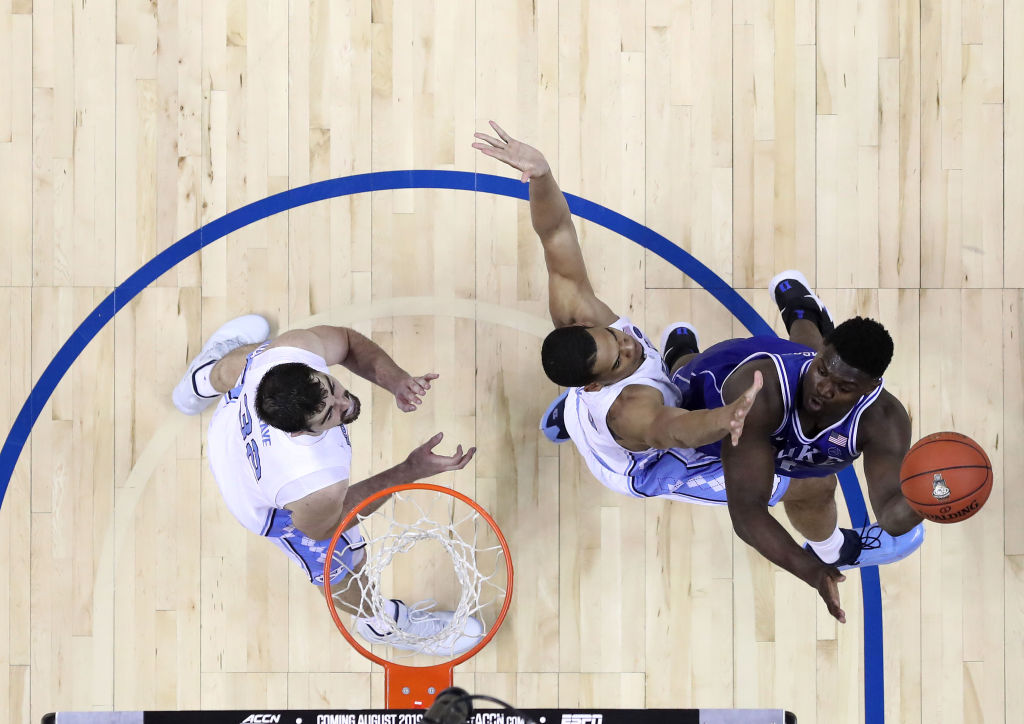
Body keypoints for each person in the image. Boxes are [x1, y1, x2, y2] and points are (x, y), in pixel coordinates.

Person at [472, 121, 763, 500]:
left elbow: (556, 231)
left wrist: (542, 175)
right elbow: (674, 429)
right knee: (782, 484)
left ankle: (574, 416)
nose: (630, 345)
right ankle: (837, 548)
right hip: (643, 466)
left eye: (615, 337)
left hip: (593, 400)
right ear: (598, 383)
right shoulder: (631, 409)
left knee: (664, 376)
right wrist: (726, 419)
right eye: (621, 357)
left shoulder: (579, 312)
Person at [173, 315, 482, 654]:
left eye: (332, 389)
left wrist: (395, 380)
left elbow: (347, 342)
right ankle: (383, 625)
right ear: (298, 432)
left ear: (310, 368)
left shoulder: (289, 352)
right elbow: (326, 529)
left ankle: (200, 379)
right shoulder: (314, 481)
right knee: (341, 564)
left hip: (229, 421)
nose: (345, 403)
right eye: (329, 415)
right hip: (261, 503)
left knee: (252, 358)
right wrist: (409, 470)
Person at [669, 272, 925, 623]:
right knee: (678, 381)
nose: (825, 389)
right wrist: (812, 572)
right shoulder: (759, 393)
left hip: (788, 426)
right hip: (716, 394)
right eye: (822, 371)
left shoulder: (885, 421)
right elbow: (746, 510)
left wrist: (938, 492)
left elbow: (893, 517)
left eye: (844, 387)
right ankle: (677, 355)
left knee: (818, 487)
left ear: (870, 388)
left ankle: (802, 311)